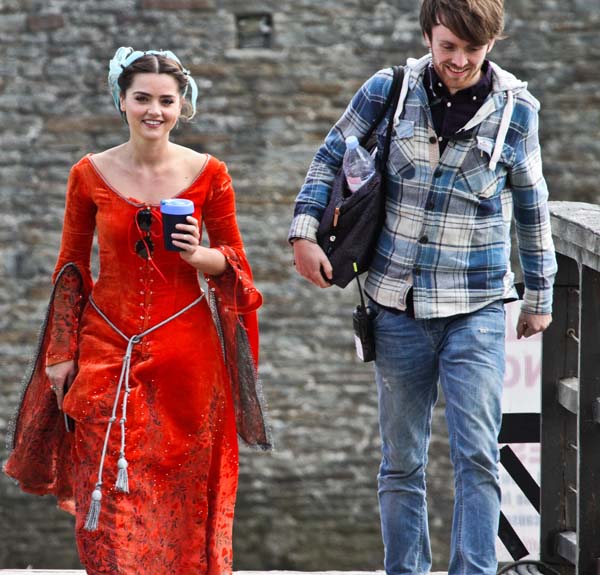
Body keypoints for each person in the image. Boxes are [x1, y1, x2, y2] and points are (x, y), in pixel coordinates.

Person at [289, 1, 556, 573]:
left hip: (476, 307)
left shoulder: (518, 111)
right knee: (401, 462)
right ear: (428, 37)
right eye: (447, 47)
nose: (458, 61)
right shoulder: (388, 90)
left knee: (478, 457)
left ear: (491, 44)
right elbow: (329, 157)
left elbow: (533, 206)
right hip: (395, 305)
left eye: (472, 49)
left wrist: (540, 295)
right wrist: (304, 231)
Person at [4, 46, 270, 575]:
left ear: (182, 106)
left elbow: (236, 264)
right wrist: (60, 352)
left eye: (166, 101)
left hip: (188, 360)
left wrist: (199, 255)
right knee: (104, 491)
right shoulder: (88, 173)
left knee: (183, 497)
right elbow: (70, 268)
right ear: (121, 101)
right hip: (105, 350)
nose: (155, 110)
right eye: (142, 98)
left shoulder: (210, 173)